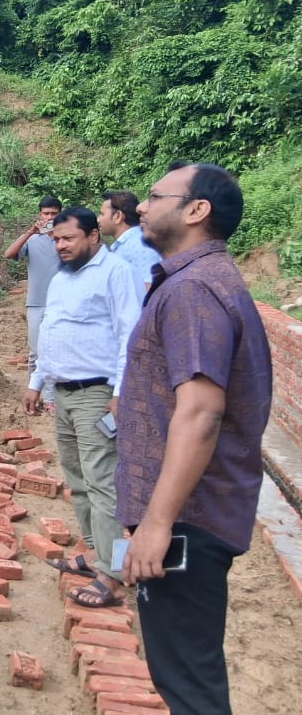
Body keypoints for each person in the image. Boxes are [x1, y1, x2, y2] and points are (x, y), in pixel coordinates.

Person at [117, 162, 272, 715]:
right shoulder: (194, 282)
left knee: (188, 685)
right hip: (190, 515)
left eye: (155, 196)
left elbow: (202, 412)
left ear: (196, 210)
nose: (141, 205)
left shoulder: (194, 290)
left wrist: (157, 525)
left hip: (188, 519)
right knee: (183, 672)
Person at [21, 206, 141, 608]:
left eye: (68, 238)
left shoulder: (114, 273)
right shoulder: (61, 278)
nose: (60, 246)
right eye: (55, 239)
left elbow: (130, 336)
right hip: (65, 393)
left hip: (96, 393)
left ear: (93, 236)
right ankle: (95, 554)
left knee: (102, 480)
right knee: (77, 479)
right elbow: (52, 331)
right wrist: (37, 382)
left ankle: (114, 574)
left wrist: (121, 392)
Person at [4, 195, 63, 408]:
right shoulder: (31, 239)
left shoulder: (65, 239)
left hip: (62, 302)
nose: (49, 217)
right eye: (46, 213)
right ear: (39, 215)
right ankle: (34, 394)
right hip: (37, 302)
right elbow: (9, 254)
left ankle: (51, 398)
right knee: (36, 351)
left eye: (54, 214)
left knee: (56, 349)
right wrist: (30, 232)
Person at [98, 190, 162, 295]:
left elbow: (149, 287)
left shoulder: (140, 244)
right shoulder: (126, 244)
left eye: (102, 214)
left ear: (118, 216)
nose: (98, 220)